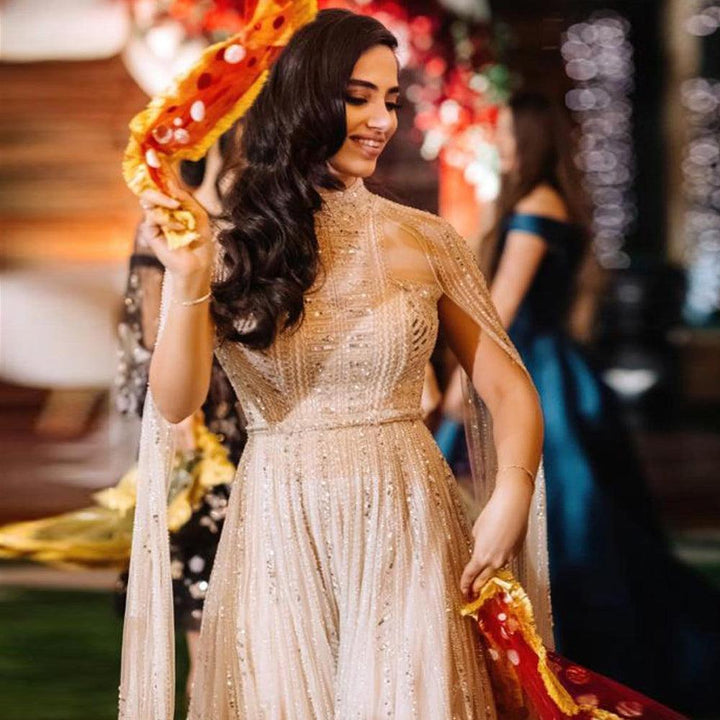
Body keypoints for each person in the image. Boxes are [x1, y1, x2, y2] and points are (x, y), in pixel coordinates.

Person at [128, 10, 545, 718]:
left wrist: (510, 495)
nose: (382, 121)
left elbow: (508, 391)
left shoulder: (425, 238)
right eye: (358, 98)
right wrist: (190, 275)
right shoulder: (225, 245)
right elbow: (174, 402)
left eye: (391, 100)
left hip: (408, 521)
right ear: (301, 99)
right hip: (277, 530)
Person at [482, 90, 720, 712]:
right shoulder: (551, 201)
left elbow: (497, 311)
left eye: (505, 131)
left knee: (571, 528)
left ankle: (577, 656)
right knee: (590, 525)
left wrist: (458, 378)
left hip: (535, 374)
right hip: (560, 369)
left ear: (527, 137)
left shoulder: (533, 206)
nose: (497, 142)